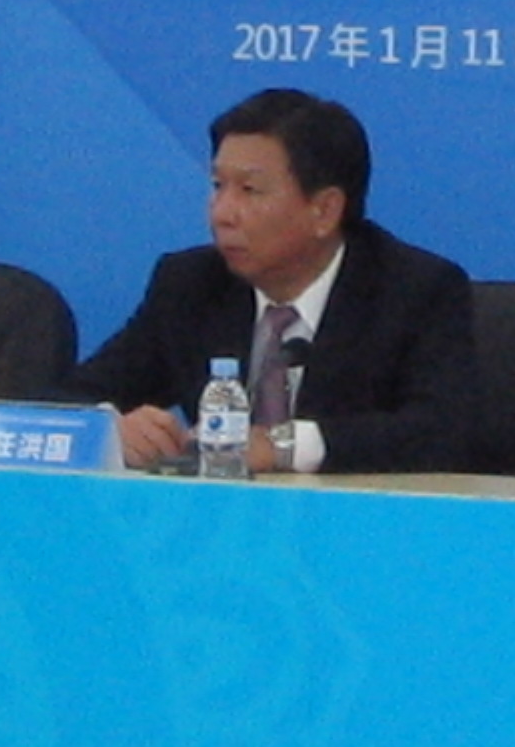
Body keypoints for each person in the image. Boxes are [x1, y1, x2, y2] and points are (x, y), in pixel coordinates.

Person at [66, 87, 478, 474]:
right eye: (218, 186)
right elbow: (66, 397)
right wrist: (109, 427)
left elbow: (442, 432)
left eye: (250, 190)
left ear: (324, 210)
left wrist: (283, 447)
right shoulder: (190, 284)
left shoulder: (416, 290)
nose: (222, 213)